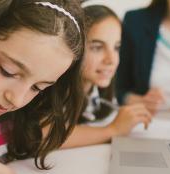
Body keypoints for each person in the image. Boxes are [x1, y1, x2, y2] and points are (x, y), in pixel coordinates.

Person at [0, 0, 85, 173]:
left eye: (37, 88)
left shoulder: (11, 123)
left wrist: (112, 130)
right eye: (7, 71)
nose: (17, 100)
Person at [62, 5, 151, 148]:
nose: (111, 60)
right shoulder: (56, 88)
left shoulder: (99, 92)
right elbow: (42, 135)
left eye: (116, 47)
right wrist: (113, 130)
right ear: (74, 47)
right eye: (97, 47)